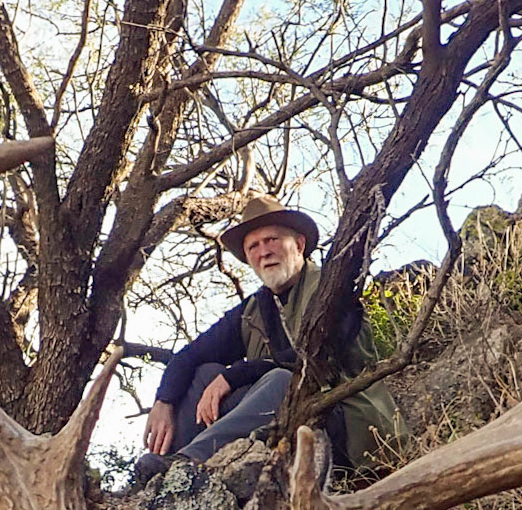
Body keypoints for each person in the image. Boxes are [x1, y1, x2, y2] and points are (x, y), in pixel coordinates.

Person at [135, 194, 405, 483]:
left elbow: (311, 363)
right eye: (254, 246)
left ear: (299, 245)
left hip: (341, 423)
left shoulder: (330, 288)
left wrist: (236, 374)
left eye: (272, 240)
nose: (264, 251)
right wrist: (163, 401)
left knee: (280, 380)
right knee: (203, 375)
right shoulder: (254, 309)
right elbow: (190, 355)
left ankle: (190, 465)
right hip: (283, 424)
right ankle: (164, 478)